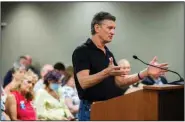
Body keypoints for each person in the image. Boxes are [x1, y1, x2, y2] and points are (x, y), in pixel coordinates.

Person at [72, 11, 168, 121]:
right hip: (91, 109)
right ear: (97, 28)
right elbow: (84, 82)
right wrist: (107, 72)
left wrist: (146, 72)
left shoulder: (108, 53)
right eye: (109, 28)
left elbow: (120, 82)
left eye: (114, 29)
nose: (113, 32)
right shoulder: (82, 51)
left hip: (111, 106)